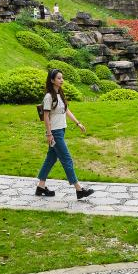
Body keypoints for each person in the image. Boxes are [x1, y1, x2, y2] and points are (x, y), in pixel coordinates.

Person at [35, 69, 93, 199]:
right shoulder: (49, 97)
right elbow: (46, 117)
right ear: (52, 80)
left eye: (62, 78)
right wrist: (49, 134)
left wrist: (78, 123)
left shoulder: (59, 94)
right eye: (59, 78)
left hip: (61, 130)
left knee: (51, 158)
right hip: (55, 133)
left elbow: (67, 110)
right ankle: (79, 189)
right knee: (67, 159)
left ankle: (41, 187)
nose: (62, 80)